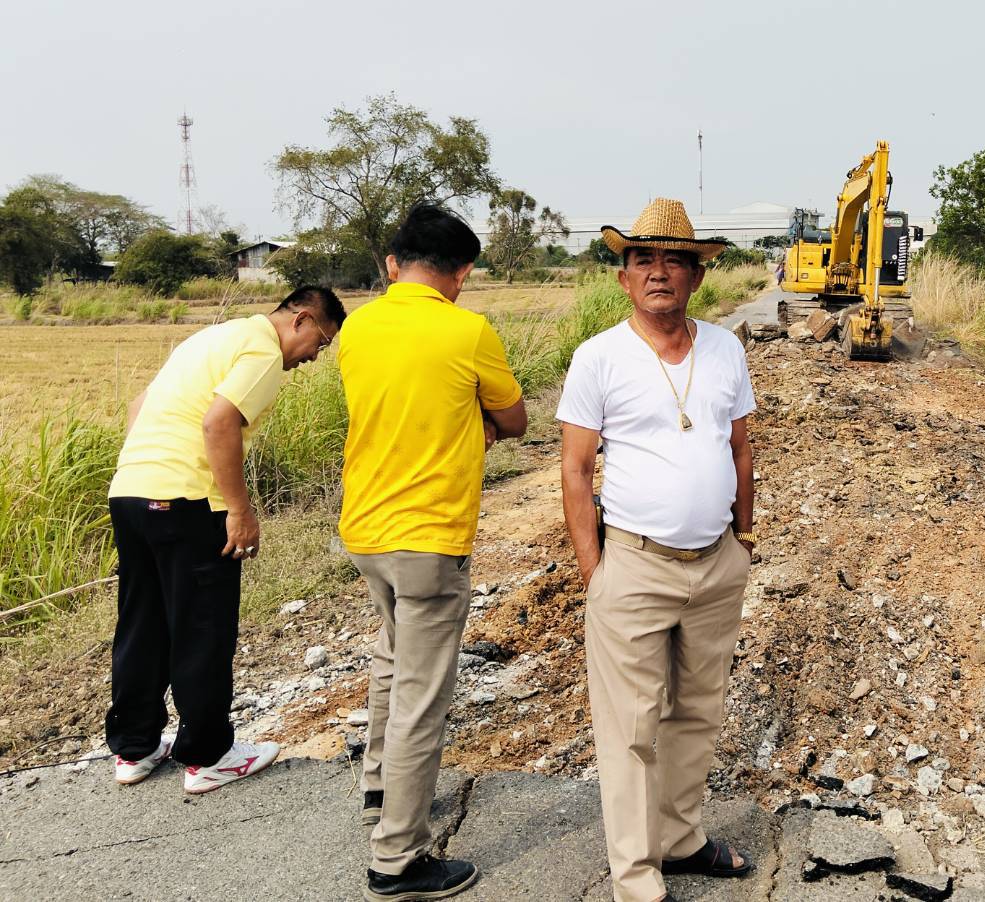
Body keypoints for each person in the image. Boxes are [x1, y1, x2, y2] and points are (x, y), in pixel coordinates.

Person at [558, 198, 757, 902]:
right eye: (643, 259)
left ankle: (681, 839)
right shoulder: (599, 357)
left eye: (676, 260)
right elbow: (576, 469)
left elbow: (739, 446)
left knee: (697, 711)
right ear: (624, 278)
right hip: (633, 565)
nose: (659, 272)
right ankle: (636, 876)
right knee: (632, 729)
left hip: (716, 563)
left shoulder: (726, 349)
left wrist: (743, 537)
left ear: (698, 277)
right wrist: (595, 571)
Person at [338, 203, 526, 901]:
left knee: (392, 656)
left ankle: (379, 786)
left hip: (365, 531)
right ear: (463, 272)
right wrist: (475, 421)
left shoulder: (358, 328)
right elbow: (514, 418)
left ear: (393, 264)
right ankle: (397, 858)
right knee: (422, 696)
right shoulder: (466, 330)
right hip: (430, 538)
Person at [106, 285, 345, 793]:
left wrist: (150, 472)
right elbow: (219, 423)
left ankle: (135, 747)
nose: (313, 359)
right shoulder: (262, 349)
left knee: (142, 622)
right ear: (301, 320)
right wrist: (239, 509)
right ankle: (209, 756)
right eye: (321, 343)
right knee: (202, 627)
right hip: (189, 502)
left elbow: (139, 404)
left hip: (130, 492)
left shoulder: (210, 337)